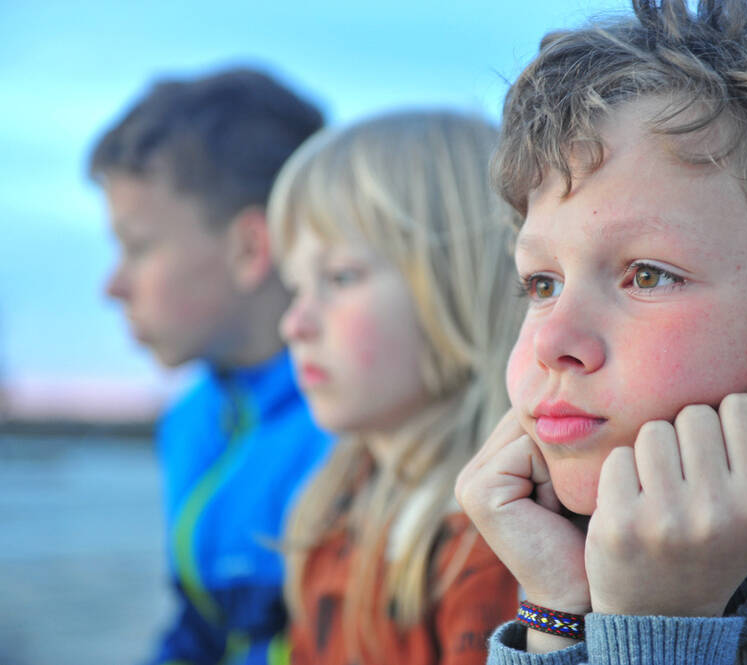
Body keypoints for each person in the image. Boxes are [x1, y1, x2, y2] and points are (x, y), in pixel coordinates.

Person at [455, 0, 747, 663]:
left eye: (647, 276)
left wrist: (659, 629)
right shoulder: (565, 567)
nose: (552, 341)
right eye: (542, 284)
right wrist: (562, 612)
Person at [88, 67, 334, 665]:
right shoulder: (192, 421)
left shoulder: (356, 428)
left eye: (137, 246)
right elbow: (202, 630)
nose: (112, 286)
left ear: (250, 248)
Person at [268, 110, 522, 665]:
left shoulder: (504, 541)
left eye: (339, 278)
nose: (295, 324)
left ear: (458, 281)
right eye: (294, 287)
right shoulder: (329, 511)